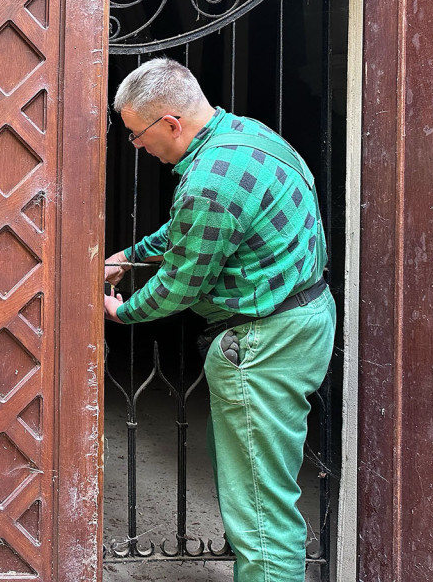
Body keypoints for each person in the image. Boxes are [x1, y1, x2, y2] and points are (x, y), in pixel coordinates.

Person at [103, 57, 335, 582]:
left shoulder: (210, 181)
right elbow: (194, 229)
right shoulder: (246, 138)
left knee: (260, 513)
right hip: (299, 319)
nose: (136, 148)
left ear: (170, 124)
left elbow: (183, 283)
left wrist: (124, 312)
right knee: (259, 489)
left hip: (265, 342)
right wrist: (131, 254)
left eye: (137, 135)